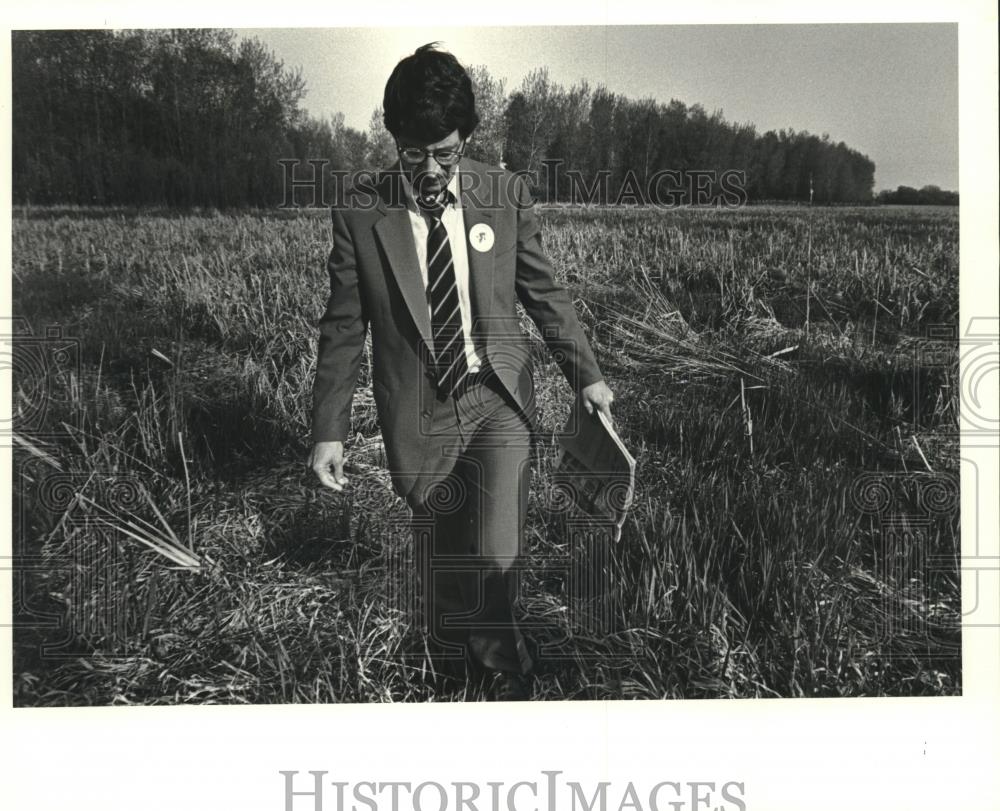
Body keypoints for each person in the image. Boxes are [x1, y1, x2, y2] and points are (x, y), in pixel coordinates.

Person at [308, 43, 614, 700]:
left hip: (496, 396)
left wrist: (586, 374)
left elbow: (544, 291)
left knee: (498, 554)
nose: (429, 170)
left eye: (445, 154)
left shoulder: (501, 193)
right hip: (420, 414)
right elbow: (342, 326)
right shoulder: (361, 208)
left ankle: (508, 684)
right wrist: (328, 427)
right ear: (392, 139)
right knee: (449, 559)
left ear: (467, 139)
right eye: (413, 153)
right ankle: (454, 673)